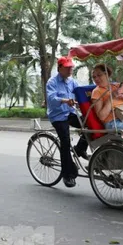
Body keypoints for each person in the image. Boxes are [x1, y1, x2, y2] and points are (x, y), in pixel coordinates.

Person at [46, 56, 89, 188]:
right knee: (65, 142)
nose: (70, 70)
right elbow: (52, 98)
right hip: (58, 116)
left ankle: (80, 148)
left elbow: (81, 93)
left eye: (71, 67)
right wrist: (65, 100)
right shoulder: (52, 82)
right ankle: (67, 175)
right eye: (67, 67)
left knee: (90, 126)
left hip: (70, 113)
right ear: (60, 68)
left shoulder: (72, 82)